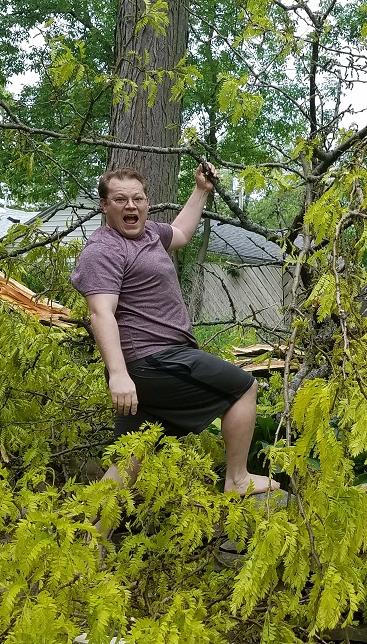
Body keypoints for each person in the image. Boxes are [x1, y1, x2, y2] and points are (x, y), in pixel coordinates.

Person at [70, 165, 278, 498]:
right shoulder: (103, 250)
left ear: (146, 202)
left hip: (151, 366)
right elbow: (101, 313)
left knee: (131, 454)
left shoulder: (150, 233)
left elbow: (180, 233)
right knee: (243, 388)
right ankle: (237, 479)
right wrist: (118, 375)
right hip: (153, 360)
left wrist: (201, 189)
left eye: (138, 198)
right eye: (120, 199)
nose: (131, 205)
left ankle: (86, 529)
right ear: (104, 205)